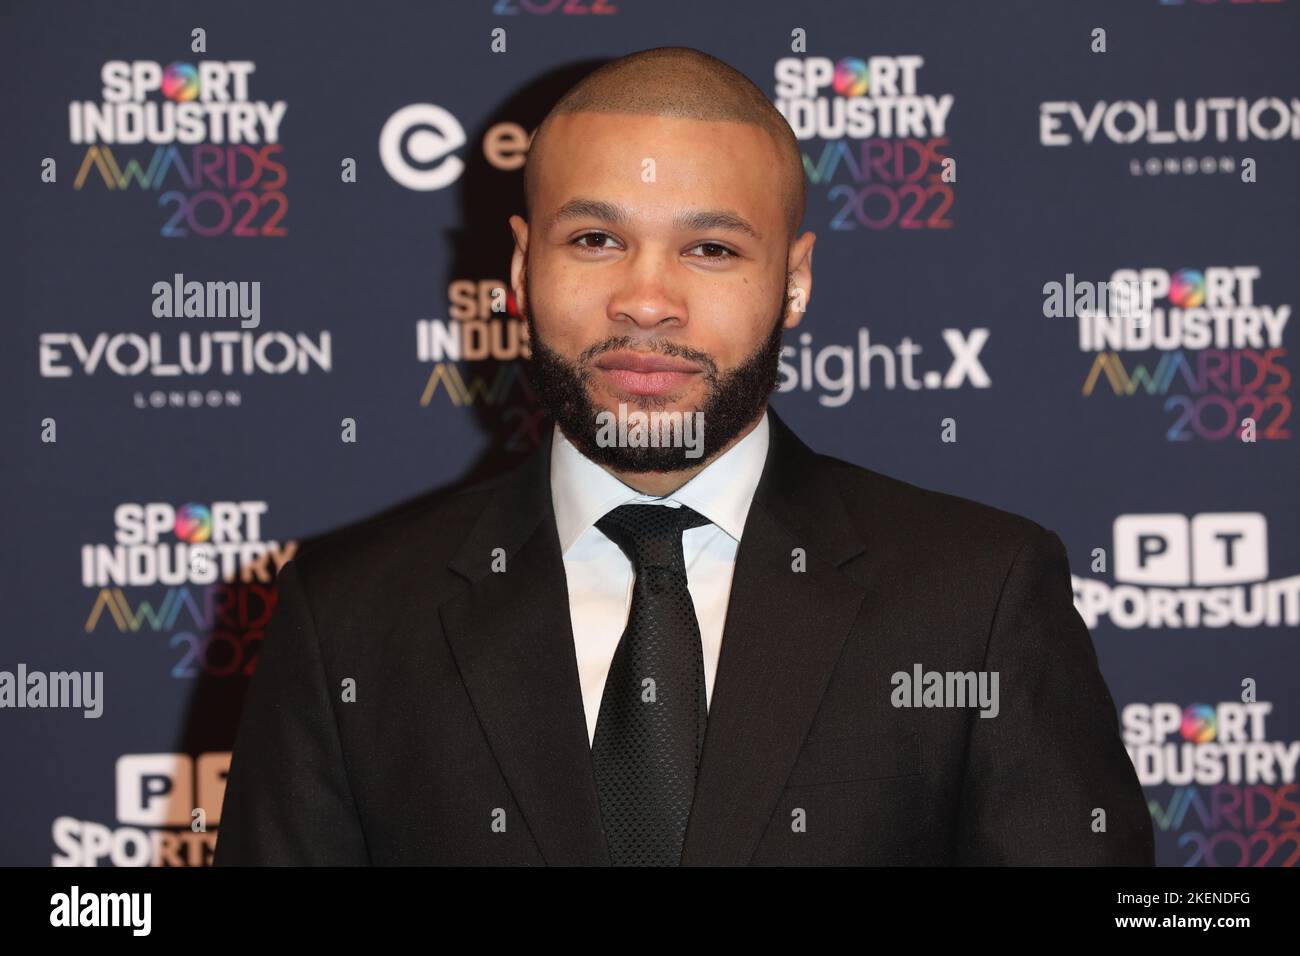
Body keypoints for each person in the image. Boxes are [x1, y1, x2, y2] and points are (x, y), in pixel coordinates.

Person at [214, 46, 1154, 866]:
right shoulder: (347, 615)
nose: (647, 300)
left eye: (709, 247)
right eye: (595, 239)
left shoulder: (976, 596)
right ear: (517, 269)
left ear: (795, 281)